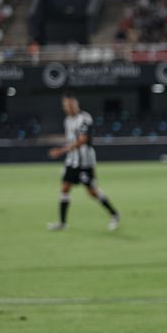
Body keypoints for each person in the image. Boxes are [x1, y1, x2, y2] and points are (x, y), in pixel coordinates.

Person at [47, 93, 121, 231]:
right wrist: (67, 152)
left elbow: (83, 140)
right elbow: (70, 139)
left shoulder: (84, 118)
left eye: (70, 104)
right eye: (65, 105)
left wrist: (61, 150)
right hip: (72, 161)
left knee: (92, 192)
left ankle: (114, 214)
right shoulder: (67, 120)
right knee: (65, 188)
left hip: (85, 162)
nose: (67, 107)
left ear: (76, 104)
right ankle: (63, 223)